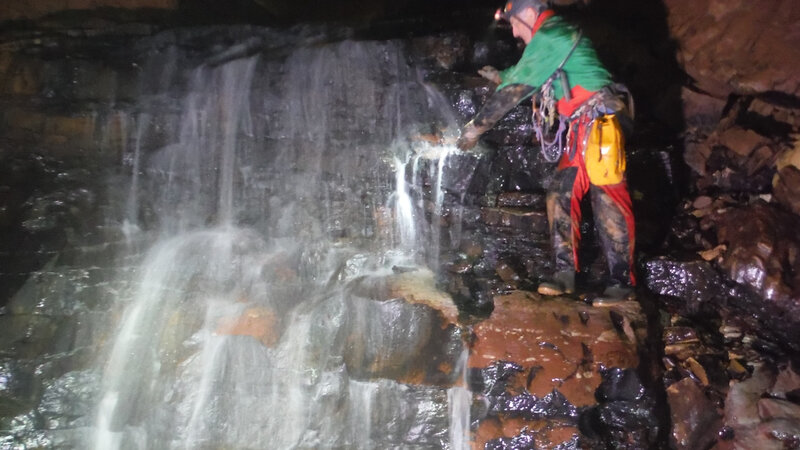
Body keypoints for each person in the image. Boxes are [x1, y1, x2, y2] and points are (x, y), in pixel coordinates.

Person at [457, 0, 636, 303]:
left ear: (528, 13)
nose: (513, 32)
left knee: (607, 199)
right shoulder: (549, 38)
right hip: (582, 127)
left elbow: (517, 89)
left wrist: (475, 128)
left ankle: (622, 283)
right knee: (559, 194)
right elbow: (525, 71)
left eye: (513, 23)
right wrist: (502, 75)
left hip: (600, 122)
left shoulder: (552, 34)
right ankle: (565, 276)